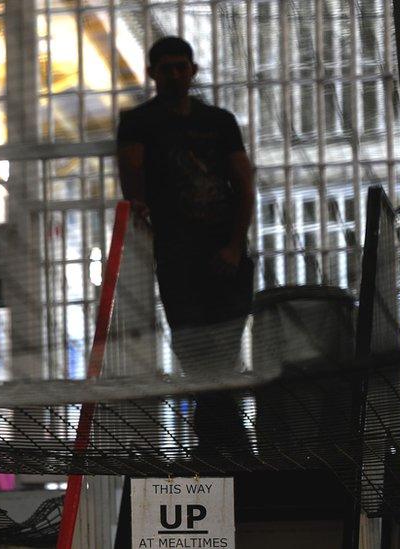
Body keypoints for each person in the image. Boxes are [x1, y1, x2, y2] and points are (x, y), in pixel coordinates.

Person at [116, 36, 256, 457]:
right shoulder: (143, 123)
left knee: (214, 353)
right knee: (200, 353)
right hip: (185, 254)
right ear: (154, 73)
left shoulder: (218, 121)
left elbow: (244, 184)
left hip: (215, 253)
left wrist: (233, 245)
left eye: (182, 67)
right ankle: (225, 445)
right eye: (169, 67)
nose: (177, 75)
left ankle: (217, 444)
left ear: (192, 71)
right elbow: (133, 189)